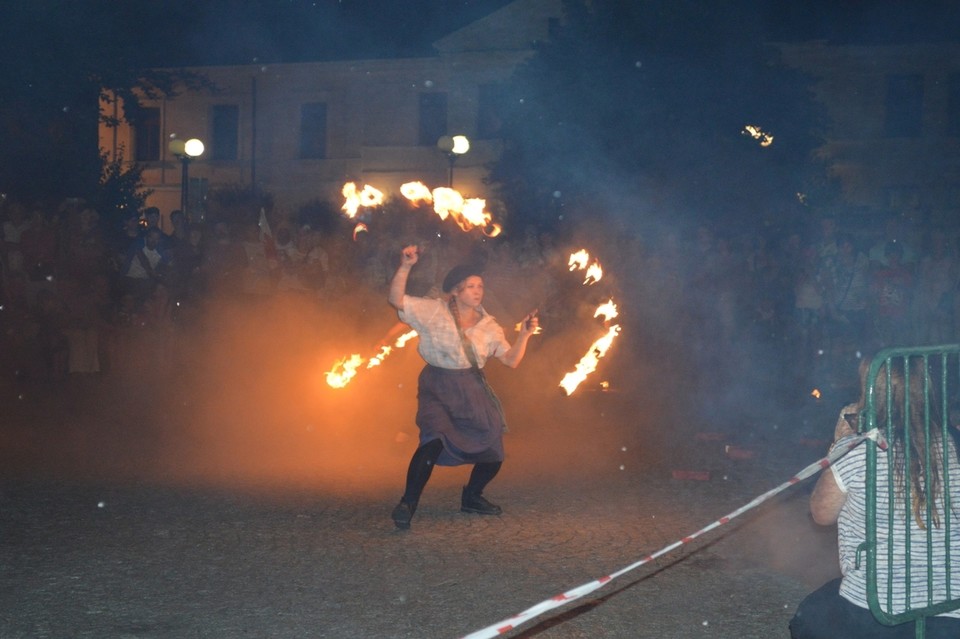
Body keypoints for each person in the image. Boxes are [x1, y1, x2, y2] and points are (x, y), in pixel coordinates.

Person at [789, 357, 960, 638]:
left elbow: (820, 513)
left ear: (871, 393)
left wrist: (839, 447)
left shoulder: (858, 450)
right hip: (951, 615)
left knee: (808, 618)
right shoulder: (953, 441)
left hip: (878, 615)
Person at [387, 244, 539, 530]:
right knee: (432, 440)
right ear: (456, 291)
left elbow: (510, 361)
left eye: (480, 286)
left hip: (470, 387)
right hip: (438, 385)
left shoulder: (491, 326)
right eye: (470, 286)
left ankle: (472, 496)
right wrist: (406, 266)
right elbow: (396, 300)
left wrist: (525, 335)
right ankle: (407, 503)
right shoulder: (433, 311)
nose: (477, 291)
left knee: (493, 446)